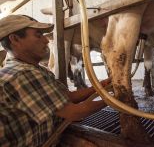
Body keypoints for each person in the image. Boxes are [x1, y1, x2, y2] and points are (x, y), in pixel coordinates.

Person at [0, 14, 110, 147]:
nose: (46, 41)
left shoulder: (36, 70)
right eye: (38, 35)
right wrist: (114, 100)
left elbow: (67, 97)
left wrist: (100, 87)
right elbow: (74, 112)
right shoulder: (23, 74)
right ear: (15, 39)